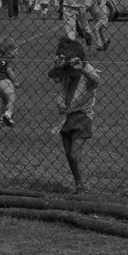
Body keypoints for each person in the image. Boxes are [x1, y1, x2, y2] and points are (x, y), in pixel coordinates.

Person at [48, 38, 101, 194]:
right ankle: (79, 184)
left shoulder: (86, 72)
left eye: (72, 69)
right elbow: (51, 75)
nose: (71, 73)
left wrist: (82, 68)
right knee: (68, 155)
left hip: (82, 118)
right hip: (65, 118)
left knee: (73, 154)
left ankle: (81, 185)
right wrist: (58, 65)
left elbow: (96, 80)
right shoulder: (66, 72)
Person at [0, 37, 20, 127]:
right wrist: (15, 81)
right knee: (11, 99)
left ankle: (2, 118)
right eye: (16, 51)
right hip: (6, 82)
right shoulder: (9, 60)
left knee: (5, 102)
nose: (17, 53)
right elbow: (9, 71)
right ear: (9, 50)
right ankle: (8, 115)